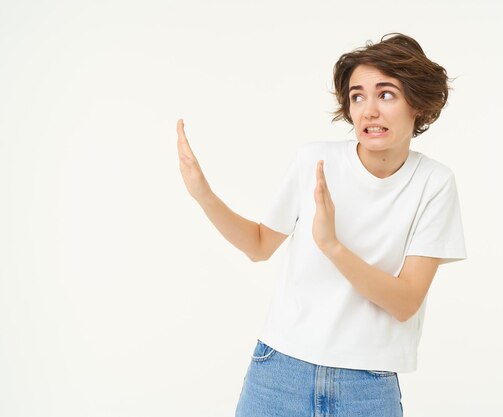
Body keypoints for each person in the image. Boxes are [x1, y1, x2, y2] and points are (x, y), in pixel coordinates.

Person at [177, 32, 467, 417]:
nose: (368, 110)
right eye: (357, 96)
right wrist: (204, 195)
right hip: (280, 371)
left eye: (385, 94)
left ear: (418, 104)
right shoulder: (316, 161)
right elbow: (259, 245)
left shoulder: (434, 182)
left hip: (367, 385)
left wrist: (332, 246)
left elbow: (405, 302)